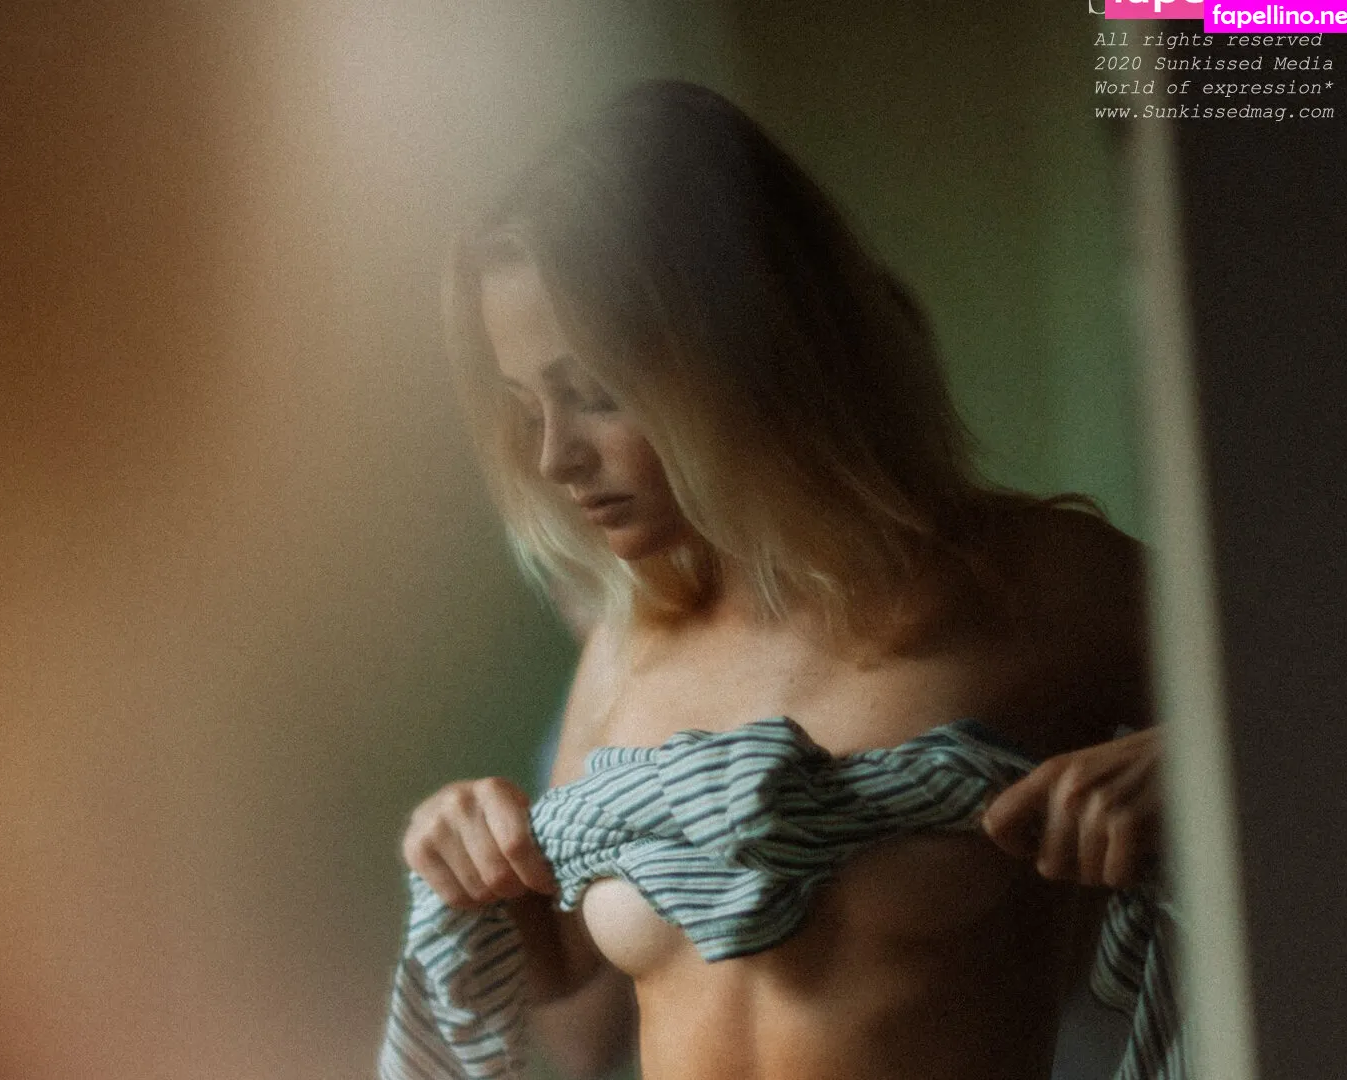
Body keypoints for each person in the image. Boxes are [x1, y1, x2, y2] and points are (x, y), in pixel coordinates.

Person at [381, 80, 1169, 1080]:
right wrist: (457, 848)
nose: (553, 457)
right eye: (527, 405)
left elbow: (1315, 716)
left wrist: (1191, 766)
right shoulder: (628, 644)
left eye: (594, 394)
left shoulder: (1040, 582)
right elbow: (566, 979)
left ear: (749, 349)